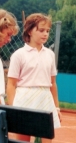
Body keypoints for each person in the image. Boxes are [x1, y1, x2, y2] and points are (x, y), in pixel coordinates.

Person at [7, 13, 61, 143]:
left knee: (47, 139)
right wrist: (12, 107)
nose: (45, 34)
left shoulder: (50, 55)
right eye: (41, 30)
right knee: (22, 140)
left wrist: (57, 107)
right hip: (24, 100)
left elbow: (53, 83)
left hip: (45, 99)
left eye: (48, 31)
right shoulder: (18, 55)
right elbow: (11, 84)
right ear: (30, 31)